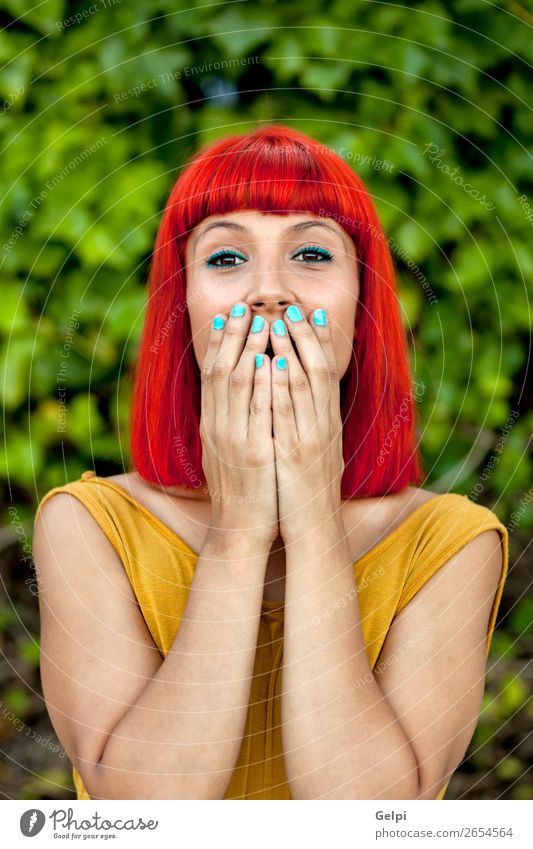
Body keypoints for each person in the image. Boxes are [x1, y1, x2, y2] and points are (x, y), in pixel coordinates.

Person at [33, 124, 508, 800]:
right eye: (225, 259)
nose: (269, 291)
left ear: (361, 306)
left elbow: (368, 821)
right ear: (183, 305)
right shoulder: (85, 524)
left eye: (311, 253)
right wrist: (239, 529)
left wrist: (313, 516)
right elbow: (141, 814)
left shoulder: (452, 542)